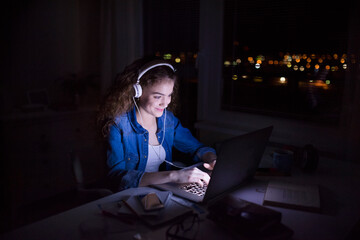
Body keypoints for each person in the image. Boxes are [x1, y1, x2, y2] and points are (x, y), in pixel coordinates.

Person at [97, 57, 217, 191]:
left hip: (160, 193)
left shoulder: (168, 120)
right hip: (128, 197)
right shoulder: (118, 125)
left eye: (169, 95)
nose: (165, 103)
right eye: (158, 96)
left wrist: (212, 159)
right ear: (137, 92)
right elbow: (116, 177)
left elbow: (196, 148)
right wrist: (173, 176)